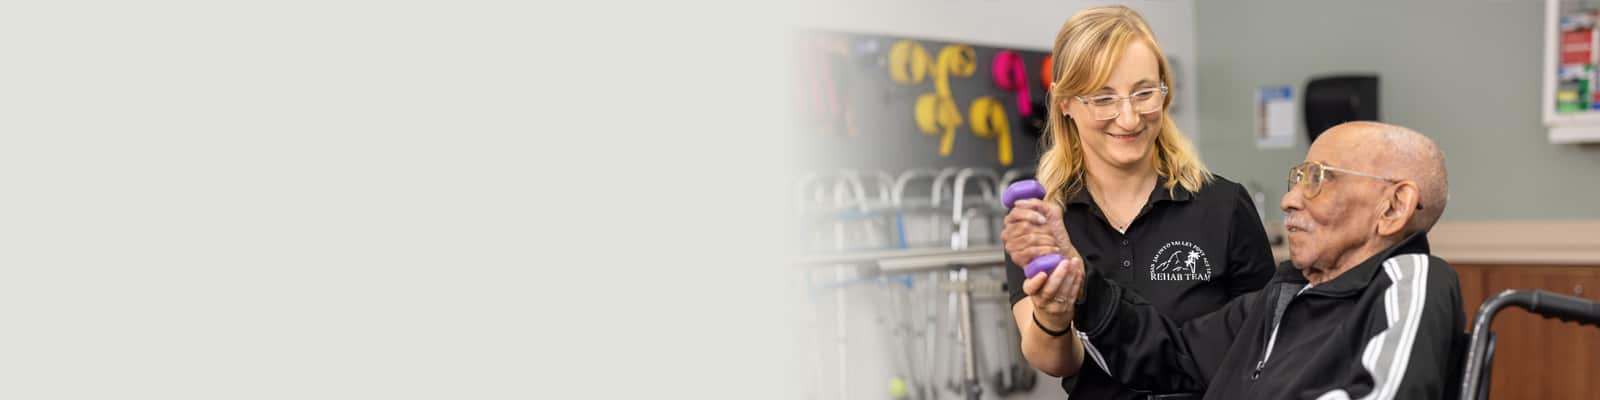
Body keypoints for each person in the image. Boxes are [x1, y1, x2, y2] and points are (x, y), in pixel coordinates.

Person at [1010, 121, 1465, 399]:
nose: (1290, 199)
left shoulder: (1412, 282)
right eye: (1297, 178)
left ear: (1394, 207)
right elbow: (1175, 355)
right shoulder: (1286, 293)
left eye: (1318, 179)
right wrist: (1082, 281)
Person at [1000, 5, 1276, 399]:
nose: (1129, 118)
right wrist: (1053, 313)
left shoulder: (1224, 206)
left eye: (1144, 93)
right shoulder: (1044, 219)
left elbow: (1267, 342)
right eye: (1103, 98)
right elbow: (1056, 361)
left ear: (1165, 90)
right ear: (1065, 102)